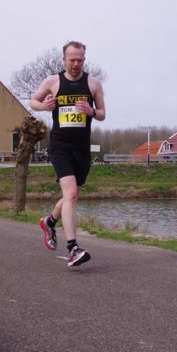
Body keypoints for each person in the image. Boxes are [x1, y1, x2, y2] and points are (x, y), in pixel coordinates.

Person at [31, 40, 106, 267]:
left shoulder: (93, 83)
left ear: (84, 59)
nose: (76, 64)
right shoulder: (53, 81)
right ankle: (73, 248)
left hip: (81, 148)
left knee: (71, 197)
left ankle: (49, 222)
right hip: (60, 145)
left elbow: (102, 113)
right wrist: (44, 106)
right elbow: (34, 101)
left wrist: (91, 111)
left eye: (80, 60)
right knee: (71, 193)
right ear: (63, 59)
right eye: (72, 60)